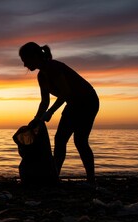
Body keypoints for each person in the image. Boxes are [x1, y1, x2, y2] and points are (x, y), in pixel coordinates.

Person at [19, 42, 99, 183]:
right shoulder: (41, 76)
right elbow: (45, 101)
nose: (24, 64)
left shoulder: (53, 67)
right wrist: (37, 119)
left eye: (25, 60)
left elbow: (65, 92)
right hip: (73, 104)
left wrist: (50, 112)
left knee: (80, 141)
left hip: (88, 101)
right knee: (60, 140)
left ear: (34, 56)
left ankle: (91, 180)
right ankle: (54, 177)